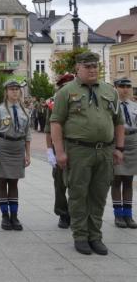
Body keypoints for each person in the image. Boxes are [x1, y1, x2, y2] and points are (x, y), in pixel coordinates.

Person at [50, 51, 124, 256]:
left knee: (99, 195)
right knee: (78, 194)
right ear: (78, 68)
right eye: (87, 67)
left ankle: (95, 236)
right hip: (78, 151)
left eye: (95, 67)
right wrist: (59, 152)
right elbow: (56, 122)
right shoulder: (66, 92)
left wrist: (119, 148)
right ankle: (81, 236)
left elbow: (118, 122)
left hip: (105, 151)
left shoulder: (110, 91)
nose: (92, 70)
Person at [0, 79, 31, 231]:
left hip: (18, 148)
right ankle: (5, 216)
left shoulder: (25, 111)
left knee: (14, 182)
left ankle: (14, 215)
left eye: (17, 89)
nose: (15, 91)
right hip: (3, 147)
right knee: (2, 181)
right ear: (6, 92)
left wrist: (28, 154)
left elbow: (27, 135)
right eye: (11, 89)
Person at [44, 73, 75, 229]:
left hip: (78, 145)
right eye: (66, 86)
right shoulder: (53, 103)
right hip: (60, 145)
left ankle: (75, 212)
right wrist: (50, 150)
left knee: (77, 182)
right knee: (60, 183)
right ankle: (63, 213)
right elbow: (49, 130)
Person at [111, 77, 137, 229]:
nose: (125, 89)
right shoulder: (112, 105)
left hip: (133, 142)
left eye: (128, 86)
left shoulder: (134, 106)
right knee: (116, 179)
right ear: (116, 87)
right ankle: (118, 214)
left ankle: (128, 214)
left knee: (128, 180)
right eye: (122, 86)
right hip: (116, 141)